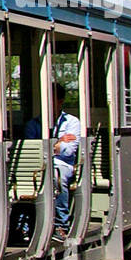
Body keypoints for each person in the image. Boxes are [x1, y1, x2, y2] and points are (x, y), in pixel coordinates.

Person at [51, 83, 81, 240]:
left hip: (63, 165)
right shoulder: (34, 123)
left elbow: (69, 151)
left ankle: (61, 225)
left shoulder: (72, 122)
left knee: (57, 176)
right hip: (41, 165)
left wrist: (54, 146)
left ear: (60, 101)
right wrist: (58, 143)